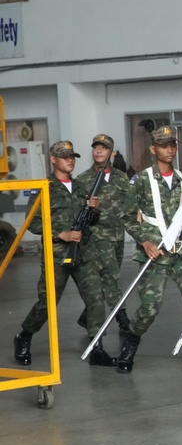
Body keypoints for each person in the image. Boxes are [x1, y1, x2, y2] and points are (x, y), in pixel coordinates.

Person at [13, 141, 116, 367]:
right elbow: (33, 222)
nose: (69, 160)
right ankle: (24, 336)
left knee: (96, 300)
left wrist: (94, 209)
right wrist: (61, 234)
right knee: (47, 303)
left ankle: (96, 347)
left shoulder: (80, 187)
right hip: (57, 254)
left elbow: (92, 220)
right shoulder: (44, 187)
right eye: (64, 156)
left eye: (72, 156)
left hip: (83, 252)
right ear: (53, 159)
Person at [117, 126, 182, 374]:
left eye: (173, 145)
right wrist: (144, 241)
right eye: (164, 145)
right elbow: (126, 217)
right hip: (154, 252)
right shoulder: (141, 180)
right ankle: (130, 342)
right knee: (149, 308)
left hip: (180, 253)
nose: (169, 149)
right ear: (153, 148)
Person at [75, 134, 131, 340]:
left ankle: (88, 316)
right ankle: (122, 319)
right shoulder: (83, 180)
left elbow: (129, 202)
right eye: (96, 148)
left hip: (117, 234)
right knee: (112, 277)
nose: (98, 151)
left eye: (103, 148)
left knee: (106, 278)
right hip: (97, 235)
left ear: (111, 153)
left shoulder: (120, 177)